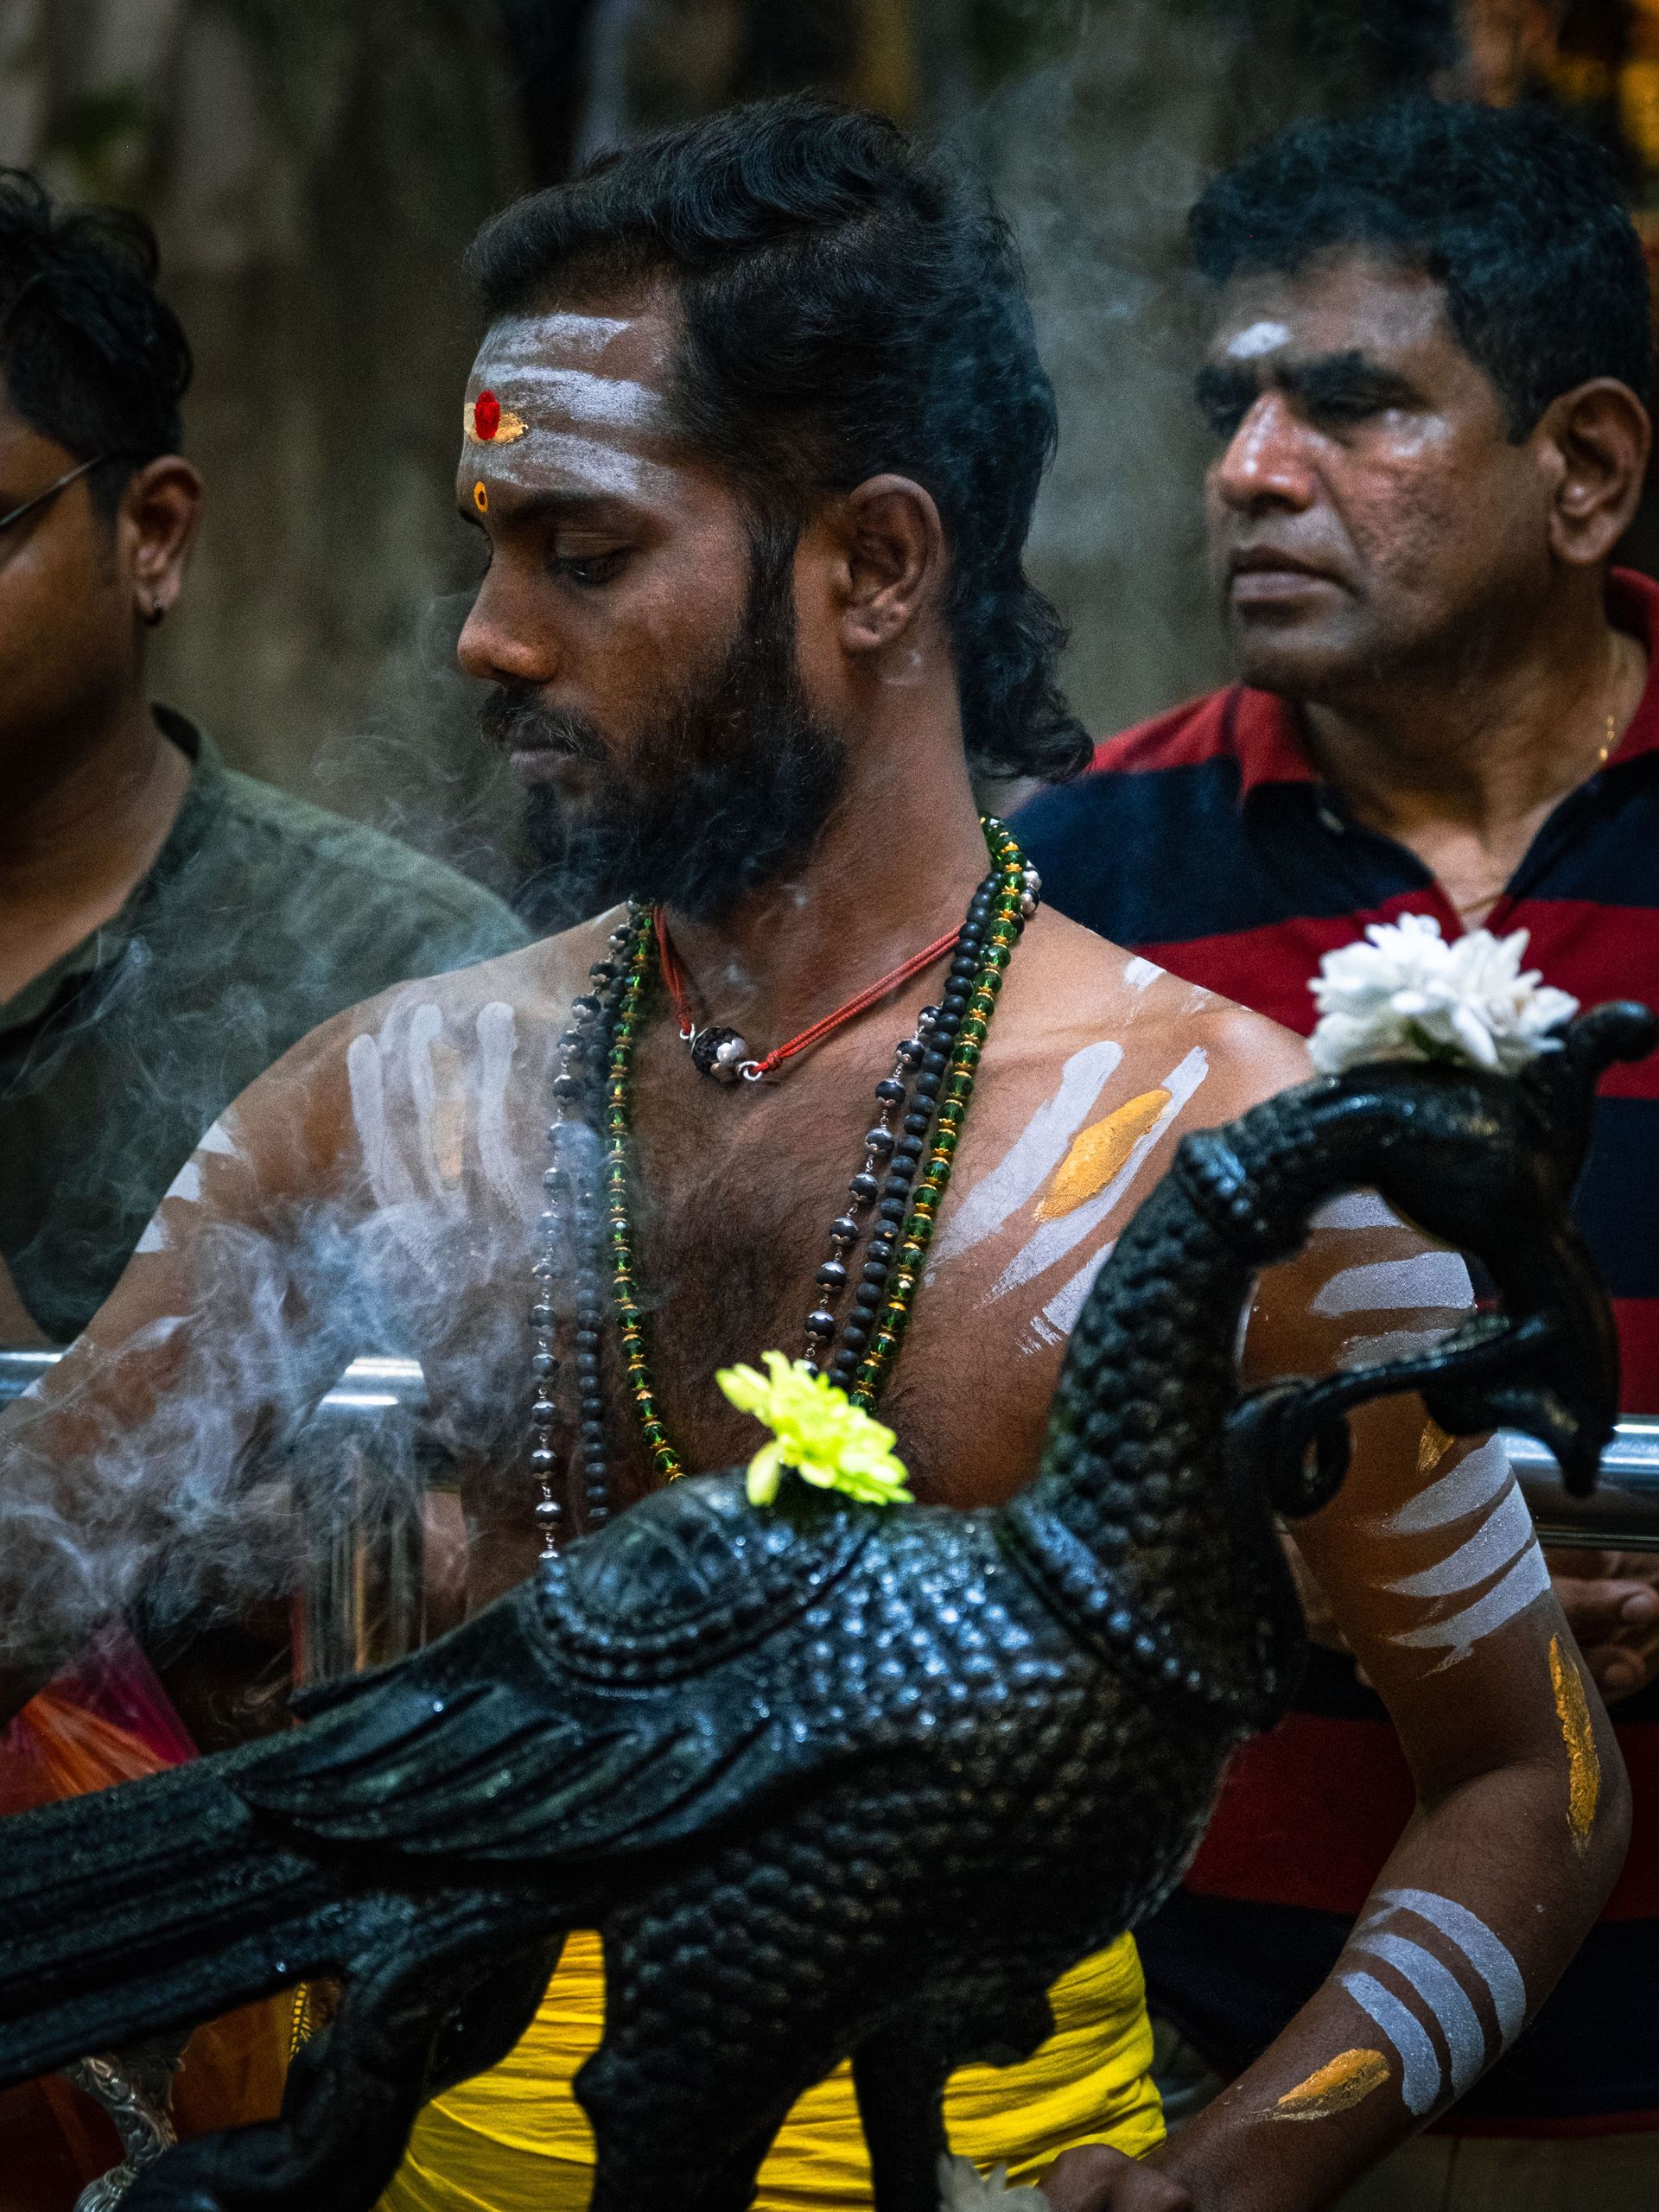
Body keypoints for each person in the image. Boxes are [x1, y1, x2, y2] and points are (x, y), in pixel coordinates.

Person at [0, 101, 1630, 2212]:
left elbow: (1531, 1772)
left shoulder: (1216, 1144)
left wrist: (1245, 2165)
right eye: (487, 543)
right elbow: (31, 1574)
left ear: (875, 564)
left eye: (581, 553)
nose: (489, 637)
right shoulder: (389, 1101)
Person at [1017, 97, 1659, 2208]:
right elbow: (907, 1438)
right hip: (1191, 2079)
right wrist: (1261, 1552)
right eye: (1233, 402)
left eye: (1353, 403)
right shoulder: (1071, 887)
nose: (1249, 469)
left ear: (1582, 470)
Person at [0, 172, 528, 2206]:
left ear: (152, 534)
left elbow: (560, 1508)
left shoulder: (397, 985)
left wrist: (299, 1544)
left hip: (287, 2009)